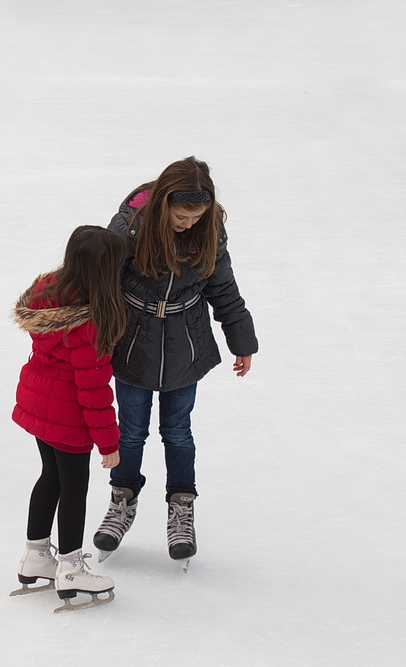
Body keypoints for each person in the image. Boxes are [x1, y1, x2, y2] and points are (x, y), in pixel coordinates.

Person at [92, 156, 258, 566]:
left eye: (195, 217)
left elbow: (224, 289)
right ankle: (122, 500)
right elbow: (101, 280)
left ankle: (181, 507)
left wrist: (242, 339)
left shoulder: (209, 233)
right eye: (181, 216)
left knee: (177, 431)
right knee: (130, 432)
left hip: (186, 342)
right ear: (164, 202)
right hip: (133, 341)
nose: (187, 224)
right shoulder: (131, 226)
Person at [11, 226, 128, 605]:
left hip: (39, 401)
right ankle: (72, 568)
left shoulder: (49, 290)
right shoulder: (89, 321)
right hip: (68, 416)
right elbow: (93, 392)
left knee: (51, 478)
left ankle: (35, 555)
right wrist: (109, 442)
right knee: (74, 488)